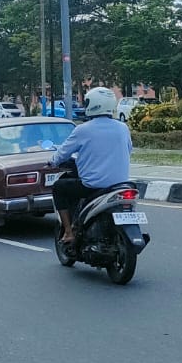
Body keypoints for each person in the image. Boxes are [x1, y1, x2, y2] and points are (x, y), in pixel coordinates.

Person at [50, 87, 133, 245]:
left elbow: (62, 154)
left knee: (59, 187)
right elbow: (129, 150)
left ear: (93, 104)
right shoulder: (123, 128)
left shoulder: (83, 130)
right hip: (120, 184)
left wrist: (52, 161)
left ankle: (69, 232)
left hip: (93, 185)